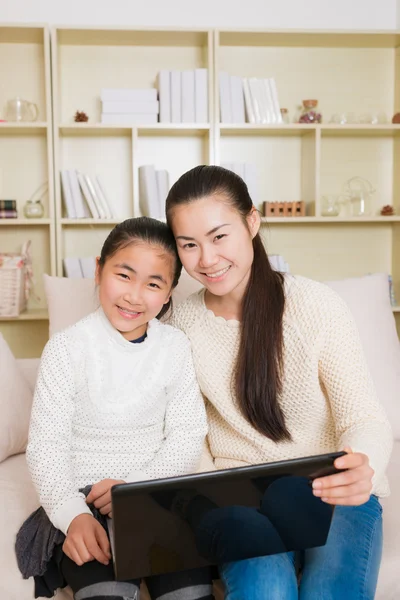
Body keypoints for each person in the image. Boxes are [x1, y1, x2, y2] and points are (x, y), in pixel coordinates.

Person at [165, 165, 393, 600]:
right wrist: (212, 496)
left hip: (329, 487)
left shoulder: (316, 306)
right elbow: (188, 440)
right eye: (188, 245)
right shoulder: (178, 326)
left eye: (219, 236)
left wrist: (362, 464)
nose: (207, 260)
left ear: (252, 222)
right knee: (265, 590)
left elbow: (363, 416)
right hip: (237, 497)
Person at [20, 217, 215, 600]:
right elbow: (46, 447)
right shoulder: (66, 349)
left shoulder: (174, 347)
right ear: (98, 270)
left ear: (168, 293)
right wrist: (72, 515)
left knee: (189, 592)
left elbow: (188, 433)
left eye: (153, 284)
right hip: (82, 500)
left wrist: (139, 489)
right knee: (105, 592)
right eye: (124, 276)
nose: (134, 296)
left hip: (153, 496)